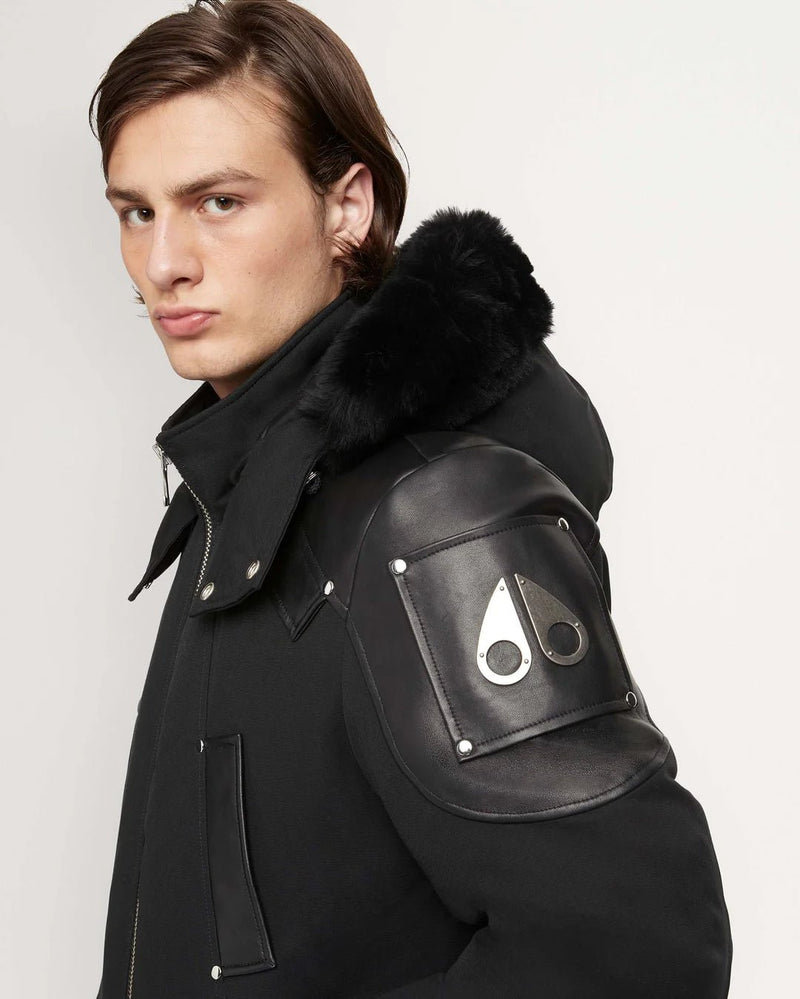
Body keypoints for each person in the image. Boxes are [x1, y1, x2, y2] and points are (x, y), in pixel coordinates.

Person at [89, 1, 733, 996]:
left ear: (347, 207)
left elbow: (635, 949)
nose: (163, 262)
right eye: (136, 211)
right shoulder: (247, 484)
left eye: (218, 201)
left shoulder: (433, 516)